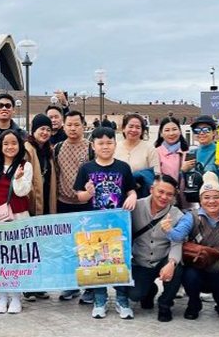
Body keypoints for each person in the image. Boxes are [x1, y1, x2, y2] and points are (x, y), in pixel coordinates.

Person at [162, 172, 219, 320]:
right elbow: (177, 236)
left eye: (216, 197)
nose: (211, 201)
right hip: (198, 267)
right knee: (189, 276)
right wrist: (168, 230)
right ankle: (194, 302)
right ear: (200, 200)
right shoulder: (191, 217)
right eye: (206, 197)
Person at [74, 126, 138, 319]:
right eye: (100, 143)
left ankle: (122, 300)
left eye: (109, 142)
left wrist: (133, 197)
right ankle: (99, 300)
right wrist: (88, 193)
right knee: (96, 261)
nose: (105, 146)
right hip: (94, 225)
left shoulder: (123, 167)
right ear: (93, 146)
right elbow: (80, 197)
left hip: (118, 225)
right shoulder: (86, 168)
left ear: (115, 144)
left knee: (120, 259)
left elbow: (131, 190)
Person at [0, 130, 33, 314]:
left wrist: (17, 179)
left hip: (19, 216)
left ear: (20, 145)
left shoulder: (26, 166)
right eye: (6, 143)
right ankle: (2, 296)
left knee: (17, 257)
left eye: (14, 143)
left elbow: (22, 192)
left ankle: (16, 297)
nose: (10, 147)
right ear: (1, 146)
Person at [116, 174, 184, 322]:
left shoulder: (177, 215)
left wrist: (172, 263)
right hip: (140, 261)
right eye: (161, 192)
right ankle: (150, 290)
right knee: (135, 295)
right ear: (151, 189)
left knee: (177, 269)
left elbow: (177, 243)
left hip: (162, 259)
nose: (164, 197)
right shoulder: (135, 206)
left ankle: (165, 304)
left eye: (169, 194)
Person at [54, 111, 95, 303]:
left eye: (76, 125)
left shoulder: (90, 148)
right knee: (68, 247)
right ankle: (71, 284)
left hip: (85, 204)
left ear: (83, 126)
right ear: (63, 126)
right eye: (69, 125)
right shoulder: (58, 148)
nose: (72, 128)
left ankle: (90, 287)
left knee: (87, 246)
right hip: (63, 203)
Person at [23, 114, 57, 302]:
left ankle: (39, 285)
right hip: (30, 204)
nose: (45, 132)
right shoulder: (27, 149)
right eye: (41, 129)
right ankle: (28, 286)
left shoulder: (49, 151)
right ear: (33, 130)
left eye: (48, 129)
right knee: (29, 247)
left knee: (42, 247)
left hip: (45, 202)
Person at [186, 115, 219, 209]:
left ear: (214, 132)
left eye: (206, 129)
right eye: (197, 130)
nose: (201, 133)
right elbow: (189, 180)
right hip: (203, 207)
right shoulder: (192, 153)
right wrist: (183, 171)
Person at [114, 113, 161, 199]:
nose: (134, 130)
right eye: (131, 126)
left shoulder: (149, 148)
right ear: (123, 128)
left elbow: (156, 174)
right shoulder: (115, 147)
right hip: (118, 195)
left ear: (142, 130)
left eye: (138, 127)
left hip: (142, 195)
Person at [154, 117, 192, 209]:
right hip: (165, 202)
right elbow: (156, 179)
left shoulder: (189, 152)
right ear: (161, 133)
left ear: (180, 131)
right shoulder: (156, 153)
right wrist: (182, 171)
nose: (171, 133)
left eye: (174, 129)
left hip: (187, 203)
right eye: (167, 130)